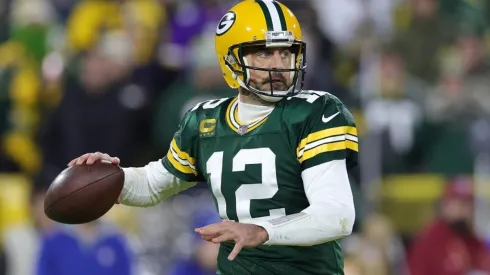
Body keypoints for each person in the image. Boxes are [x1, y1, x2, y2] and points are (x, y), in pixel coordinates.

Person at [68, 0, 358, 274]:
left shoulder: (316, 112)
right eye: (264, 52)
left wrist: (262, 230)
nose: (279, 63)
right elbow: (154, 184)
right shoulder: (206, 120)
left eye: (286, 52)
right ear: (231, 58)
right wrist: (112, 179)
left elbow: (336, 215)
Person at [408, 178, 490, 275]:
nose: (462, 210)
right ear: (445, 204)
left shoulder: (475, 243)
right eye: (458, 203)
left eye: (467, 203)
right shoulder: (428, 241)